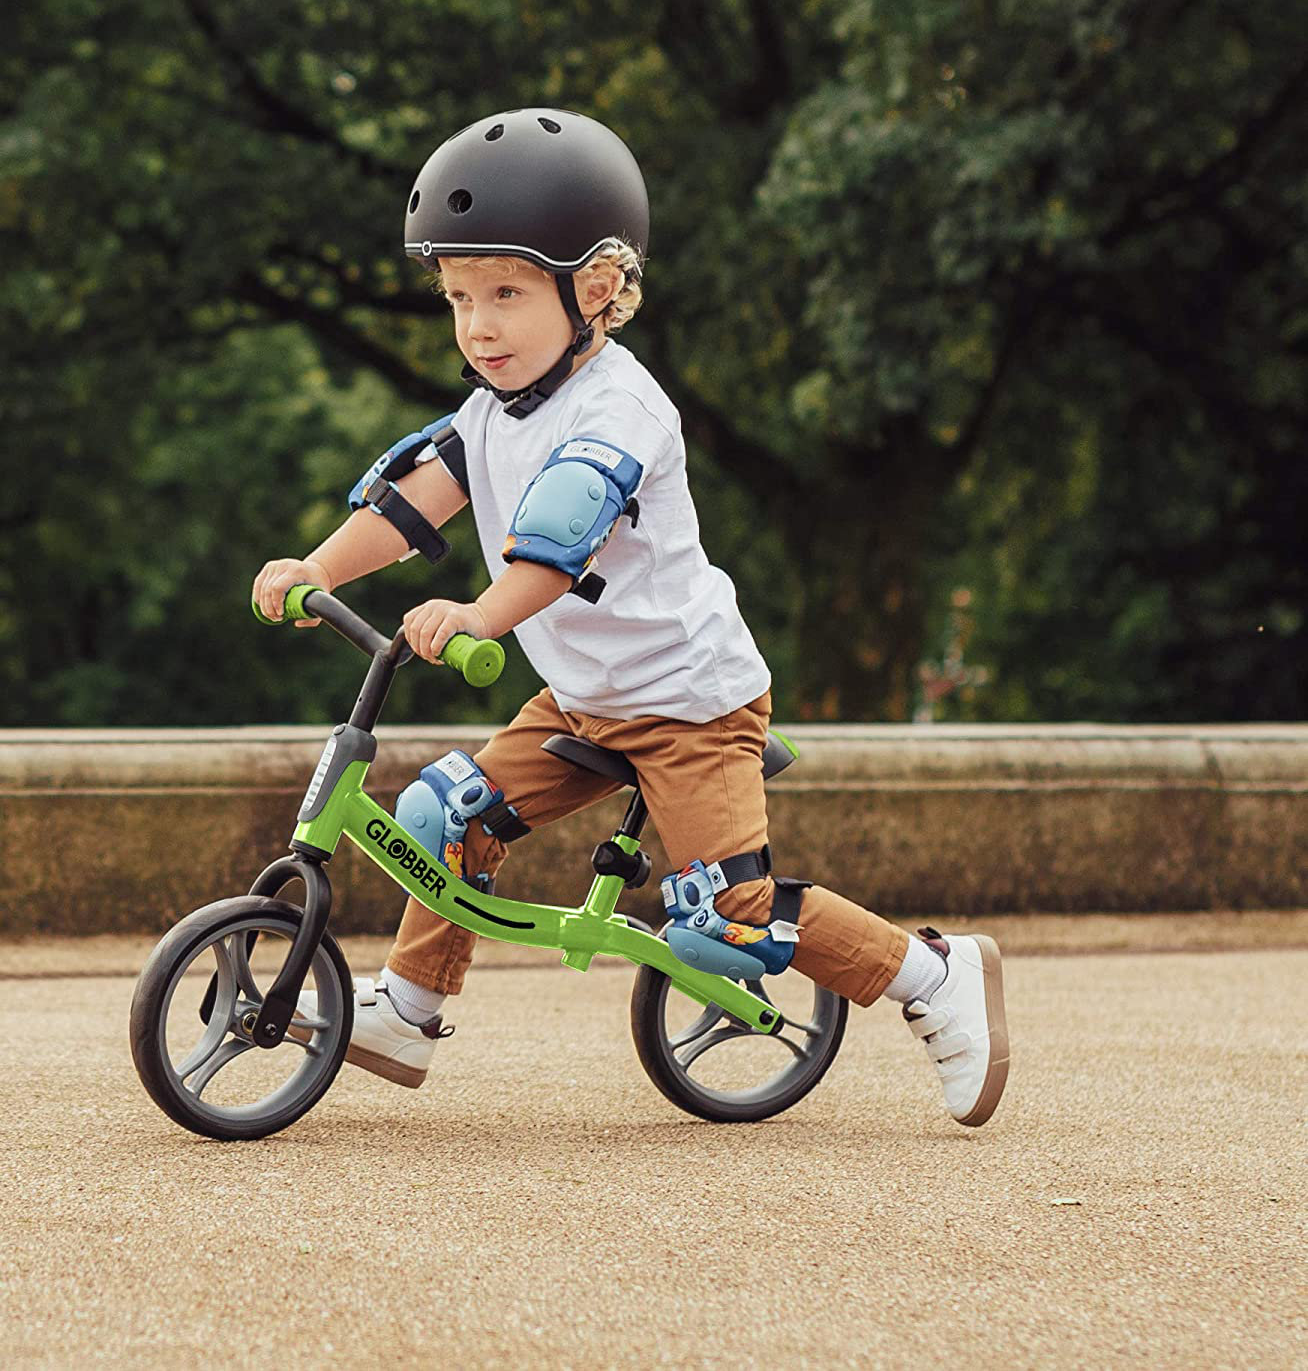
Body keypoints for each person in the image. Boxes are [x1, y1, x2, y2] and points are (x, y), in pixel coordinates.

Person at [252, 108, 1009, 1127]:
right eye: (460, 296)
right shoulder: (489, 412)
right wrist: (316, 567)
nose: (479, 325)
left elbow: (552, 555)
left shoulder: (621, 415)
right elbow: (407, 507)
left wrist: (476, 617)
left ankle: (930, 972)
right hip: (582, 702)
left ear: (596, 289)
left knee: (719, 925)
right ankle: (410, 1009)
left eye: (508, 293)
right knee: (438, 818)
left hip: (691, 705)